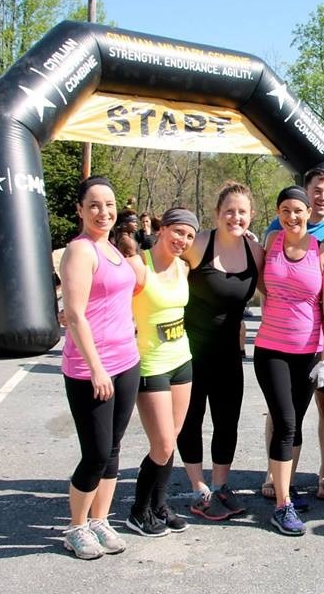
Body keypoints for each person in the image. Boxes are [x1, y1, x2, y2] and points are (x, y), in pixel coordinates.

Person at [59, 175, 140, 560]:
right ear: (80, 209)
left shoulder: (112, 248)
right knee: (95, 454)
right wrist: (96, 368)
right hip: (91, 368)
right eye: (93, 205)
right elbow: (75, 314)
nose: (102, 212)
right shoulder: (80, 250)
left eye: (108, 205)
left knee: (112, 449)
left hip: (127, 361)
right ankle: (76, 527)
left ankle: (100, 520)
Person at [256, 185, 324, 535]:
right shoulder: (270, 244)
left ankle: (285, 489)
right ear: (278, 213)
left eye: (298, 210)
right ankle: (283, 505)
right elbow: (260, 283)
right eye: (285, 210)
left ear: (308, 213)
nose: (292, 217)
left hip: (308, 353)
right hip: (270, 349)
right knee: (285, 422)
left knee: (296, 422)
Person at [178, 181, 264, 522]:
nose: (235, 217)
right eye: (229, 211)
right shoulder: (199, 244)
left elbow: (279, 287)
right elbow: (161, 273)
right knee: (191, 419)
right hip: (191, 351)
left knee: (227, 421)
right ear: (217, 214)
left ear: (251, 215)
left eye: (242, 212)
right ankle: (198, 488)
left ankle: (220, 485)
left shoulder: (255, 251)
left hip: (230, 352)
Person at [125, 208, 199, 537]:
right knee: (163, 443)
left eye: (189, 236)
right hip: (150, 364)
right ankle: (137, 512)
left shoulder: (184, 267)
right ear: (162, 229)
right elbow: (109, 299)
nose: (182, 240)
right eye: (178, 231)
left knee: (172, 439)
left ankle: (160, 506)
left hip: (181, 360)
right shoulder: (138, 265)